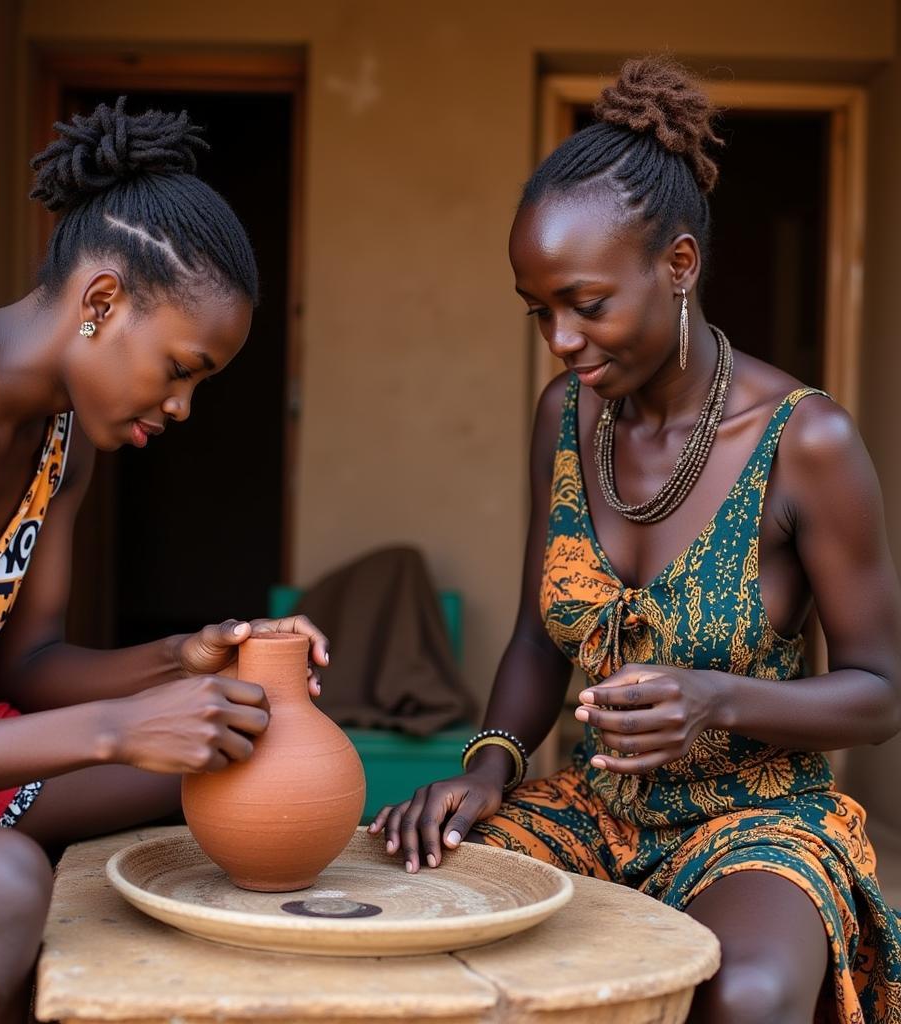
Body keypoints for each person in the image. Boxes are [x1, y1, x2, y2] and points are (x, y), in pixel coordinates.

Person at [371, 57, 901, 1023]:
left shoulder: (806, 441)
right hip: (595, 810)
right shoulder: (565, 417)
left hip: (758, 816)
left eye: (587, 303)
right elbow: (541, 634)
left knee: (740, 996)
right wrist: (488, 763)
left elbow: (880, 691)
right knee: (417, 917)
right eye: (540, 312)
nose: (561, 341)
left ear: (680, 266)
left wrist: (715, 699)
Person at [0, 98, 328, 1024]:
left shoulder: (63, 443)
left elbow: (30, 668)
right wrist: (118, 727)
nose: (183, 408)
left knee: (234, 753)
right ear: (101, 302)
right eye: (181, 368)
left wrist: (188, 661)